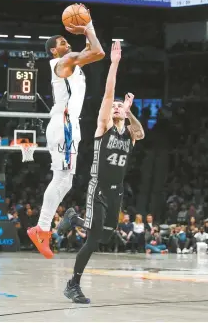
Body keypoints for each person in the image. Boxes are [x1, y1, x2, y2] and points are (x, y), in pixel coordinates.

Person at [60, 41, 144, 303]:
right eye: (116, 107)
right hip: (97, 187)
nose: (117, 107)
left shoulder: (128, 133)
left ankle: (73, 218)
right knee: (93, 240)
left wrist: (129, 114)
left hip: (115, 192)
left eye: (121, 107)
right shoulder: (104, 126)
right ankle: (73, 284)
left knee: (106, 236)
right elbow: (108, 95)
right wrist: (114, 64)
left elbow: (140, 132)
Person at [27, 5, 105, 259]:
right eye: (62, 41)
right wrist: (88, 26)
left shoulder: (72, 64)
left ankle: (42, 228)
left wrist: (86, 29)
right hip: (64, 123)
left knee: (67, 180)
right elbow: (98, 52)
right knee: (61, 177)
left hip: (70, 124)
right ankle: (41, 228)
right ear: (54, 50)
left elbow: (91, 51)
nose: (65, 43)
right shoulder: (62, 62)